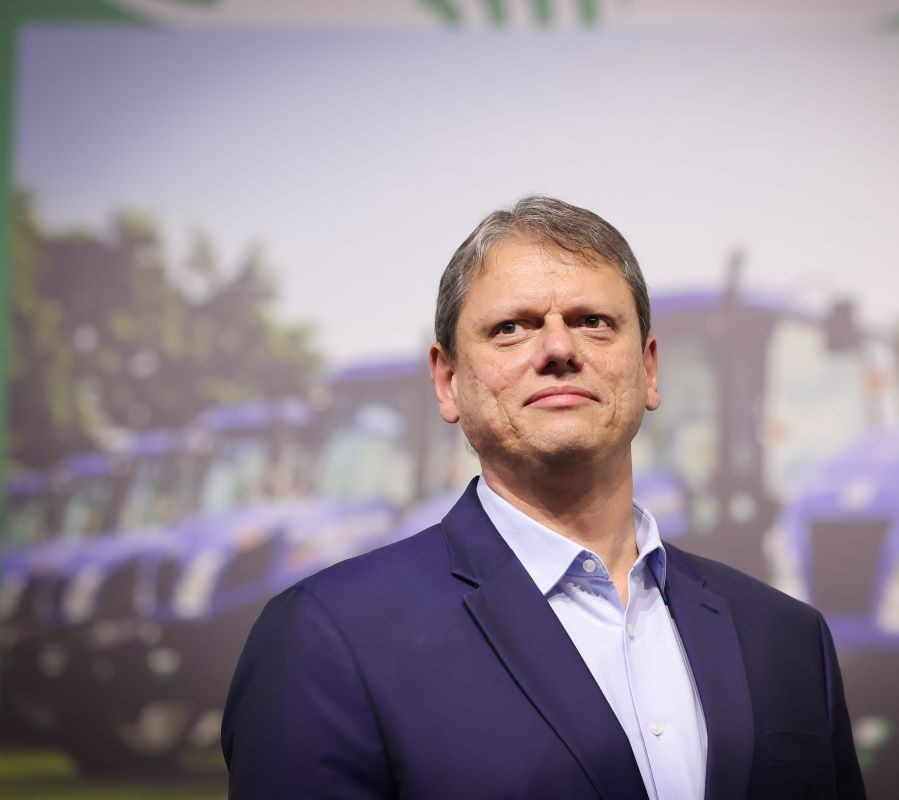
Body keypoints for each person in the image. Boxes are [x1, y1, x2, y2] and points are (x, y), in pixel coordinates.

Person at [221, 196, 866, 799]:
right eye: (512, 328)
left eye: (593, 322)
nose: (559, 349)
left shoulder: (787, 638)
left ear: (648, 369)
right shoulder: (328, 639)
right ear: (447, 382)